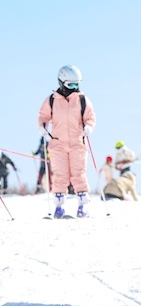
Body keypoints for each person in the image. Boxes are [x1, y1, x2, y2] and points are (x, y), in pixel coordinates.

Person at [37, 64, 96, 218]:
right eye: (71, 84)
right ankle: (59, 207)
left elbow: (90, 117)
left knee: (79, 174)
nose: (74, 88)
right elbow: (43, 116)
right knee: (60, 175)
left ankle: (83, 206)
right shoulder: (52, 100)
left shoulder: (82, 100)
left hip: (77, 143)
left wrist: (89, 127)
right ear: (61, 82)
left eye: (77, 84)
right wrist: (43, 127)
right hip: (57, 144)